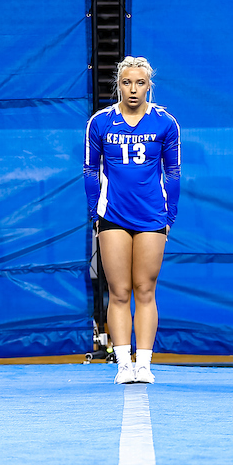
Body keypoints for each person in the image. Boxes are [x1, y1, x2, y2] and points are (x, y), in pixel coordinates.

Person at [84, 56, 181, 385]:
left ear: (149, 86)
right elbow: (89, 171)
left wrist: (170, 216)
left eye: (140, 83)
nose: (133, 89)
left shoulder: (165, 123)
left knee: (145, 289)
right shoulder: (101, 122)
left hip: (152, 216)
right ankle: (123, 363)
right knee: (119, 290)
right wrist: (93, 213)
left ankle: (144, 364)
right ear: (118, 86)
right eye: (127, 83)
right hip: (112, 216)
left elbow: (174, 172)